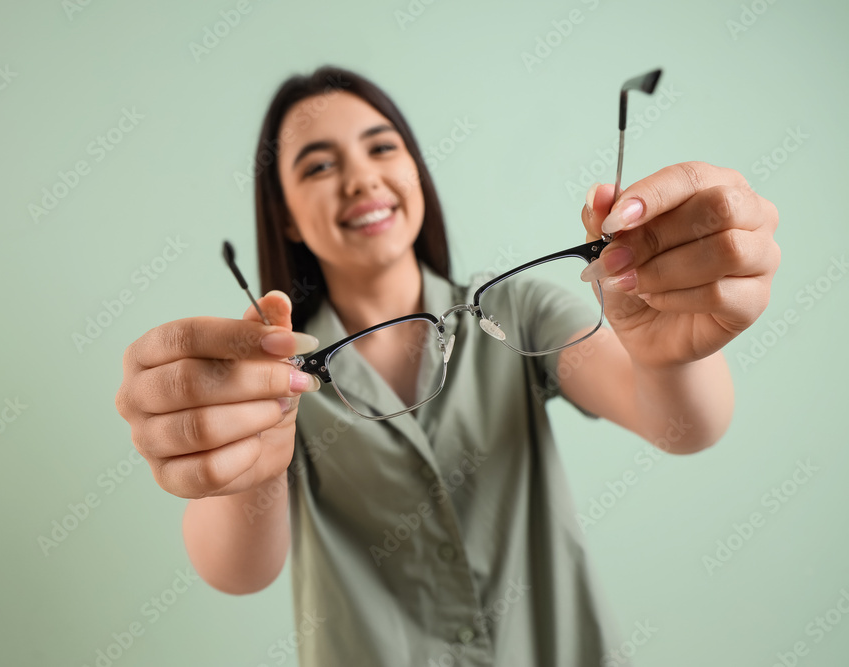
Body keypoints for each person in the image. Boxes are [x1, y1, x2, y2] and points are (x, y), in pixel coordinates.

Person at [114, 66, 780, 665]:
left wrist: (670, 349)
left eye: (382, 147)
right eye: (318, 166)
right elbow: (236, 567)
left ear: (415, 170)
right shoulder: (279, 380)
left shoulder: (516, 310)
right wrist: (241, 462)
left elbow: (682, 423)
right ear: (285, 218)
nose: (361, 178)